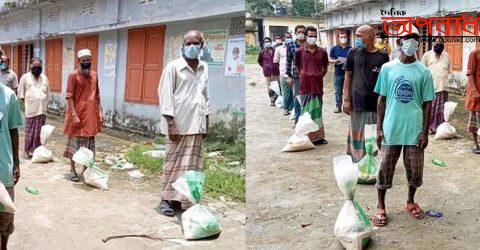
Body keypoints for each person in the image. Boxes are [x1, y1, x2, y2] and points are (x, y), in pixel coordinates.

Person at [372, 26, 435, 227]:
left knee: (415, 171)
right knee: (384, 169)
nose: (411, 42)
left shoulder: (424, 72)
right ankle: (381, 206)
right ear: (399, 42)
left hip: (414, 131)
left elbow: (427, 104)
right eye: (406, 38)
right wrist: (379, 128)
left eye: (414, 39)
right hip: (391, 129)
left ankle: (410, 201)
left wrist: (425, 132)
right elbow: (381, 99)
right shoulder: (387, 68)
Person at [157, 30, 210, 216]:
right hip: (178, 125)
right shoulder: (173, 67)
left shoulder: (204, 67)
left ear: (202, 45)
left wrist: (206, 122)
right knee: (172, 163)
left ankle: (182, 199)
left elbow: (205, 96)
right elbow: (165, 96)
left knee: (191, 166)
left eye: (196, 43)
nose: (192, 46)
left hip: (196, 124)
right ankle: (165, 199)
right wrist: (170, 123)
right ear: (183, 45)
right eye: (188, 43)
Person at [343, 25, 390, 162]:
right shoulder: (353, 53)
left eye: (358, 36)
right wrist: (346, 100)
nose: (355, 38)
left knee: (374, 134)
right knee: (357, 133)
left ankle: (372, 162)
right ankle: (357, 160)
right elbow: (348, 77)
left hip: (376, 104)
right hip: (357, 102)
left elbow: (386, 82)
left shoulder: (382, 56)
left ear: (368, 38)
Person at [63, 49, 103, 182]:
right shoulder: (73, 75)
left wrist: (100, 112)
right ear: (78, 61)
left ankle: (86, 170)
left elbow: (97, 95)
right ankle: (72, 169)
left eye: (88, 60)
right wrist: (74, 114)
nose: (86, 63)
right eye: (84, 60)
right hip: (77, 114)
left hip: (91, 115)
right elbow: (69, 97)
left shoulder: (95, 75)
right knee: (75, 143)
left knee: (89, 144)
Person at [294, 26, 329, 144]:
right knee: (306, 112)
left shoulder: (322, 52)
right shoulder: (299, 52)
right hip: (304, 87)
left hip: (318, 87)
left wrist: (317, 76)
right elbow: (298, 68)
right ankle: (307, 137)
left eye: (314, 36)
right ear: (306, 36)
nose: (312, 38)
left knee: (317, 112)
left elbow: (325, 69)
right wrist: (306, 76)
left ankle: (319, 138)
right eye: (310, 36)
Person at [0, 83, 23, 249]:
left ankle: (3, 247)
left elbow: (13, 130)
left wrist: (16, 162)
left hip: (4, 167)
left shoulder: (9, 95)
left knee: (6, 215)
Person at [17, 58, 50, 159]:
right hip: (31, 110)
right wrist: (29, 104)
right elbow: (21, 94)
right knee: (29, 133)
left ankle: (38, 151)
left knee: (40, 133)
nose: (37, 68)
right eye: (35, 66)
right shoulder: (25, 77)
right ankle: (26, 151)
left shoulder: (45, 78)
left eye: (39, 67)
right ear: (30, 66)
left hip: (42, 110)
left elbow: (48, 94)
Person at [421, 38, 452, 134]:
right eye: (437, 44)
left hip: (443, 87)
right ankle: (429, 127)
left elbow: (449, 71)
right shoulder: (427, 55)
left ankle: (439, 127)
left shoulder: (447, 56)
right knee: (430, 109)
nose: (439, 46)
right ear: (433, 44)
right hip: (430, 88)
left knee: (442, 110)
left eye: (441, 44)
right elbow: (422, 71)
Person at [286, 25, 306, 125]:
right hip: (296, 76)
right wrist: (289, 76)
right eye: (299, 32)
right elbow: (288, 61)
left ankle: (307, 120)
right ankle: (298, 120)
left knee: (307, 98)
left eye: (303, 32)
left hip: (308, 76)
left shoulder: (309, 44)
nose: (301, 33)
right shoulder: (291, 45)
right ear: (295, 32)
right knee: (297, 98)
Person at [329, 31, 352, 113]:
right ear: (338, 38)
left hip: (349, 73)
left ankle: (349, 106)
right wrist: (335, 61)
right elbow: (329, 59)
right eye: (341, 37)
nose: (343, 39)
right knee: (338, 91)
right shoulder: (334, 49)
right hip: (338, 73)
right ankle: (338, 106)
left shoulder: (351, 49)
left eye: (345, 37)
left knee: (349, 90)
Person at [274, 32, 293, 115]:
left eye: (290, 37)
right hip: (283, 74)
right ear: (283, 39)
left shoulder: (294, 47)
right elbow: (276, 61)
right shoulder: (279, 49)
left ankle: (293, 108)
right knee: (286, 93)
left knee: (294, 93)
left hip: (294, 75)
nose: (288, 39)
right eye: (287, 37)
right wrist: (282, 69)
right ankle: (286, 108)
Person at [258, 37, 280, 106]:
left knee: (278, 86)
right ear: (264, 43)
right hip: (267, 73)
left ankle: (278, 99)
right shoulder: (262, 52)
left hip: (276, 71)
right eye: (265, 42)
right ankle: (272, 101)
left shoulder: (275, 50)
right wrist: (265, 66)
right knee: (270, 87)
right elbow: (259, 61)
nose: (267, 43)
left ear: (271, 42)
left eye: (268, 41)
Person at [466, 48, 480, 154]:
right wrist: (474, 91)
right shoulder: (474, 53)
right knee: (474, 120)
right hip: (477, 92)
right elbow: (470, 74)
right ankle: (475, 143)